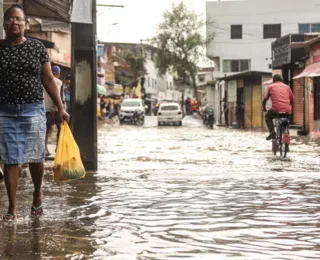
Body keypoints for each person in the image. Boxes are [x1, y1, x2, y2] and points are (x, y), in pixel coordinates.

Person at [0, 5, 69, 220]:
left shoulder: (38, 48)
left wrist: (61, 107)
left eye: (18, 19)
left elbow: (48, 79)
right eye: (10, 19)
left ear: (25, 23)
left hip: (33, 110)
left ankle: (37, 195)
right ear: (3, 23)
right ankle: (12, 208)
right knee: (11, 159)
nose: (14, 22)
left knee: (36, 158)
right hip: (5, 111)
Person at [263, 74, 294, 140]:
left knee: (267, 116)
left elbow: (265, 99)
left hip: (275, 109)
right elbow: (292, 100)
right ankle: (286, 137)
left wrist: (264, 107)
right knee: (287, 121)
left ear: (273, 81)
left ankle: (272, 132)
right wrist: (291, 109)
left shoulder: (270, 87)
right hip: (287, 110)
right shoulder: (287, 87)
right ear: (281, 80)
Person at [44, 65, 63, 156]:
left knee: (46, 130)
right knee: (60, 128)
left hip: (45, 108)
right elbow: (57, 95)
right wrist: (56, 108)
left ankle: (45, 149)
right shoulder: (58, 82)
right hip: (55, 109)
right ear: (58, 74)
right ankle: (58, 148)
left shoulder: (43, 81)